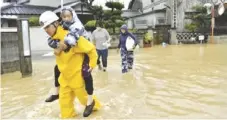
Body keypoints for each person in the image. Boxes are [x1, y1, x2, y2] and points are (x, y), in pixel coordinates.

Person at [39, 11, 101, 118]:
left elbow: (91, 49)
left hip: (78, 78)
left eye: (47, 27)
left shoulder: (72, 36)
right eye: (44, 28)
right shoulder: (53, 40)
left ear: (56, 24)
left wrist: (92, 64)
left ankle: (98, 109)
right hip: (64, 79)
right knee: (65, 108)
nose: (46, 30)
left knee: (87, 102)